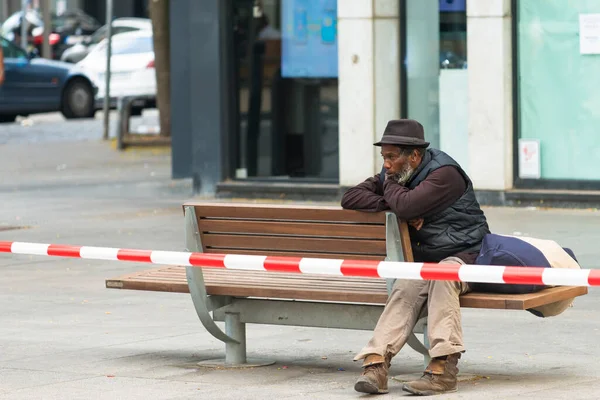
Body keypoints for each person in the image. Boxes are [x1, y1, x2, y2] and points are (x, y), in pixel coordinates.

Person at [341, 119, 490, 396]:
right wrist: (396, 202)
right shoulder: (399, 174)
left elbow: (406, 205)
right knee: (407, 283)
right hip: (431, 262)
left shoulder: (445, 174)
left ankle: (443, 370)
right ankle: (376, 366)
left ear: (414, 155)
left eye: (391, 157)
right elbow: (350, 197)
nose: (386, 165)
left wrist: (399, 199)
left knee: (443, 277)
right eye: (383, 157)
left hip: (468, 254)